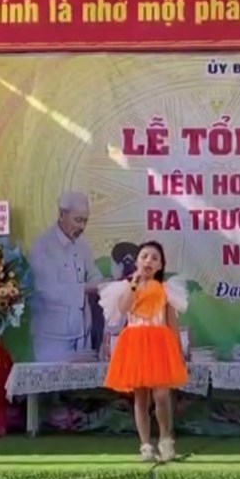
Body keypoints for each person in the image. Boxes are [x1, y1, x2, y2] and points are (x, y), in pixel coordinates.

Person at [99, 241, 188, 462]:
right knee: (141, 398)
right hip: (136, 344)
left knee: (162, 395)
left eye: (154, 258)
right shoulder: (127, 286)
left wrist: (178, 351)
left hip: (159, 345)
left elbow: (172, 324)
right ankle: (145, 445)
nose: (149, 261)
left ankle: (166, 439)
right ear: (137, 261)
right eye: (144, 256)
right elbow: (123, 309)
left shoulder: (166, 289)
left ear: (160, 265)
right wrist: (134, 284)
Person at [30, 191, 105, 362]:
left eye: (85, 221)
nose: (82, 227)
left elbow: (93, 273)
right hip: (52, 336)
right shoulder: (43, 245)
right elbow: (47, 290)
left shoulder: (83, 244)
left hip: (82, 330)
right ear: (62, 214)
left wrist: (103, 283)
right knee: (53, 377)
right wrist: (86, 288)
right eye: (78, 220)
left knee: (83, 377)